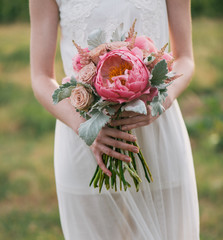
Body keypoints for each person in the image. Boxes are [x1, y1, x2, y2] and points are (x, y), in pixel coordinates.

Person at [29, 0, 200, 239]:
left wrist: (160, 103)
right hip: (86, 136)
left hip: (156, 133)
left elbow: (185, 59)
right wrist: (86, 129)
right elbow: (40, 76)